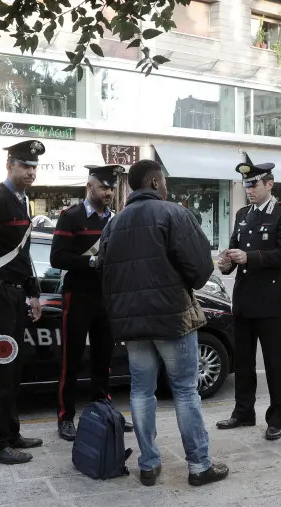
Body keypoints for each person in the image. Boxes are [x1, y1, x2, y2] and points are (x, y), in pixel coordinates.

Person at [99, 159, 228, 487]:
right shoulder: (173, 214)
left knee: (141, 391)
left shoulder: (113, 225)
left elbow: (104, 275)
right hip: (173, 320)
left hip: (134, 327)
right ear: (155, 183)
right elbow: (200, 271)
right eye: (165, 181)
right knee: (185, 391)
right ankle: (199, 466)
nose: (167, 187)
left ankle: (148, 464)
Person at [0, 139, 45, 465]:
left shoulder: (19, 201)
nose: (30, 172)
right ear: (9, 166)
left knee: (11, 370)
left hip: (13, 294)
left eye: (33, 167)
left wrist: (34, 293)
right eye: (24, 166)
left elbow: (22, 255)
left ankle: (11, 433)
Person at [215, 153, 281, 441]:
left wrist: (247, 256)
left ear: (269, 185)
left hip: (271, 302)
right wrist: (227, 262)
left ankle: (277, 417)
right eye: (246, 186)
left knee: (276, 362)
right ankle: (243, 411)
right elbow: (234, 250)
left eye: (253, 186)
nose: (249, 191)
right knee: (243, 361)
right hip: (244, 300)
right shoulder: (242, 215)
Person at [49, 164, 133, 441]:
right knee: (71, 360)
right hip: (79, 297)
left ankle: (104, 412)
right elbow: (57, 258)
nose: (108, 192)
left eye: (111, 187)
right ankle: (65, 417)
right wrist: (93, 261)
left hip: (106, 298)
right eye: (103, 187)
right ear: (89, 187)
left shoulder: (116, 219)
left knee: (103, 360)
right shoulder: (71, 217)